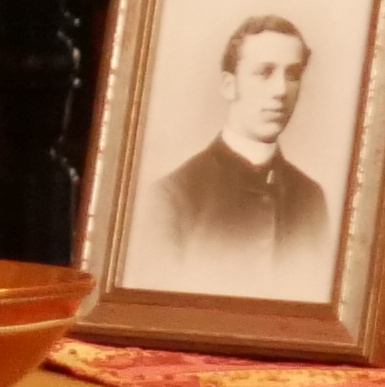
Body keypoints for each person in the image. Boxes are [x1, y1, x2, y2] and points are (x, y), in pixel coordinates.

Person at [142, 15, 333, 289]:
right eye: (264, 72)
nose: (281, 90)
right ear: (229, 86)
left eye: (292, 75)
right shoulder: (171, 197)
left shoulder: (311, 198)